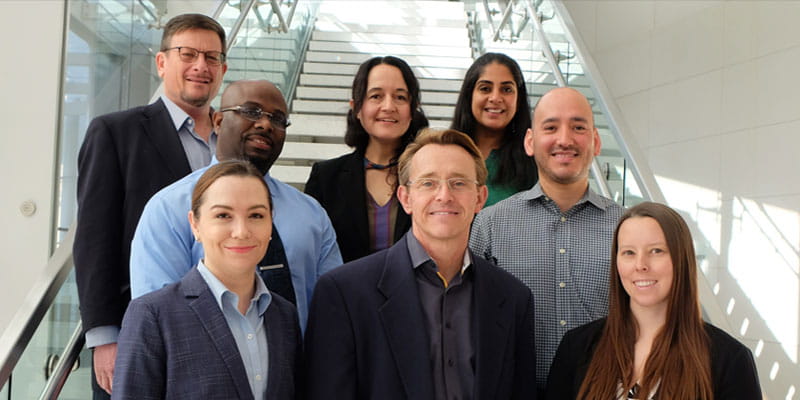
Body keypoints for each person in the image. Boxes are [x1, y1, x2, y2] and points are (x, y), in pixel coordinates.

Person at [305, 128, 537, 400]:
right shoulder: (343, 293)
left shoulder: (513, 298)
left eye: (459, 182)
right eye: (428, 183)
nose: (444, 195)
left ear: (480, 198)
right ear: (405, 198)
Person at [73, 13, 228, 397]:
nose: (200, 66)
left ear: (223, 68)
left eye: (211, 58)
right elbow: (94, 240)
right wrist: (106, 337)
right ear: (162, 63)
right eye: (187, 54)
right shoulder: (116, 133)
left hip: (223, 331)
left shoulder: (232, 142)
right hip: (139, 331)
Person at [129, 79, 342, 330]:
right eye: (251, 112)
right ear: (218, 122)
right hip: (205, 366)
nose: (265, 124)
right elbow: (158, 318)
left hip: (301, 365)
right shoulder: (168, 208)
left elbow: (332, 308)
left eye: (278, 119)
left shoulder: (311, 215)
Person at [470, 87, 624, 394]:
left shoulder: (626, 228)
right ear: (530, 142)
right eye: (550, 127)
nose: (564, 139)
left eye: (578, 127)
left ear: (595, 141)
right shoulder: (490, 223)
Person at [112, 160, 301, 400]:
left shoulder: (284, 316)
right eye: (223, 215)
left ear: (270, 223)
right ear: (196, 225)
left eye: (256, 215)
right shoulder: (153, 315)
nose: (241, 231)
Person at [545, 202, 761, 399]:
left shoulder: (729, 359)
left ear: (681, 259)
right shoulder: (577, 346)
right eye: (629, 252)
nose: (640, 265)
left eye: (656, 251)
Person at [305, 56, 429, 262]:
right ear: (356, 108)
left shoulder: (430, 174)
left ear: (412, 108)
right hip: (346, 292)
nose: (389, 106)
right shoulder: (327, 177)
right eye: (376, 96)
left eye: (400, 97)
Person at [451, 52, 537, 206]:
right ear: (469, 95)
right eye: (485, 88)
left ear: (519, 98)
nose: (495, 98)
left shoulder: (534, 161)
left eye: (506, 90)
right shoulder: (444, 152)